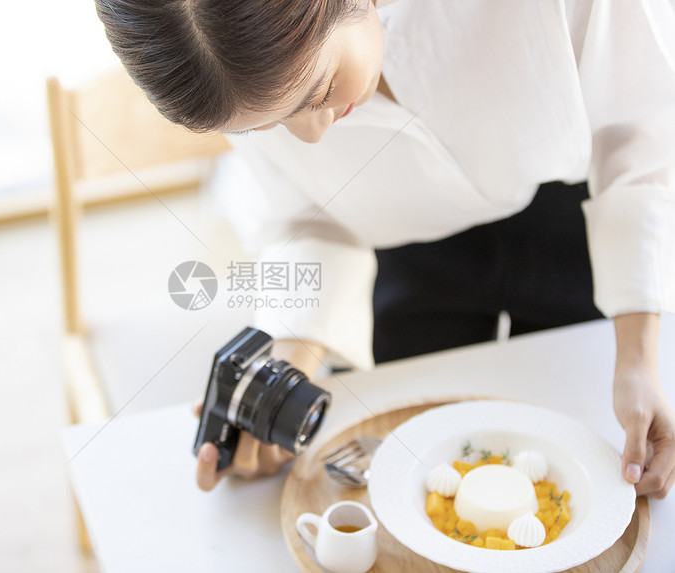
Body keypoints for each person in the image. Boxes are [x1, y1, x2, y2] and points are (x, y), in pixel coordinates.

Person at [94, 0, 675, 498]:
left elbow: (639, 129)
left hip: (577, 213)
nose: (311, 135)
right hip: (403, 249)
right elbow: (306, 217)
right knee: (415, 469)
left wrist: (639, 358)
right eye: (264, 124)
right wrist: (288, 370)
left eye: (317, 92)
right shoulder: (226, 53)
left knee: (583, 447)